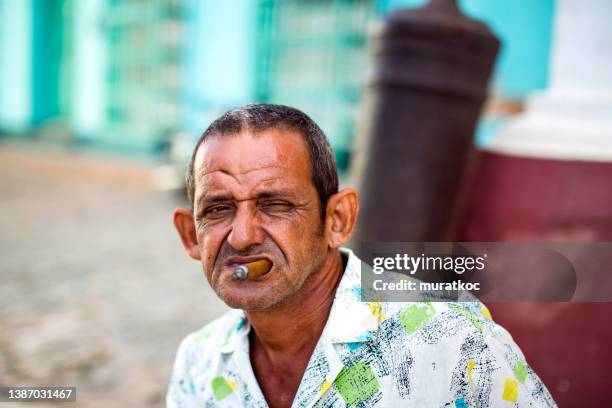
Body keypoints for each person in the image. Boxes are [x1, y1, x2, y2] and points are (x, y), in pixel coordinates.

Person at [168, 104, 556, 407]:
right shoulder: (200, 363)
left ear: (337, 219)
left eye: (275, 204)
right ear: (192, 236)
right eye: (218, 209)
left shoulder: (452, 341)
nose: (242, 236)